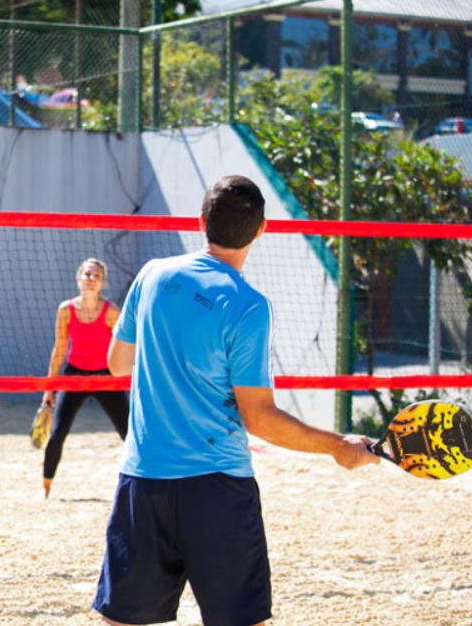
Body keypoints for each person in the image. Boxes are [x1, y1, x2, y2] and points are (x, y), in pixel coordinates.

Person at [93, 176, 378, 626]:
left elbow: (116, 363)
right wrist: (338, 446)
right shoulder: (248, 305)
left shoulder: (152, 275)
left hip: (144, 479)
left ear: (202, 221)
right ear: (262, 230)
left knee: (123, 620)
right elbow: (260, 418)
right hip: (217, 486)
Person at [40, 258, 129, 499]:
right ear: (78, 278)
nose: (91, 279)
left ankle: (144, 484)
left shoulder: (111, 311)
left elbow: (125, 348)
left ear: (102, 283)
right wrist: (49, 387)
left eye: (96, 275)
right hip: (75, 375)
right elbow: (59, 349)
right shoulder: (66, 310)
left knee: (129, 435)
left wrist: (128, 379)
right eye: (87, 274)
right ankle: (46, 488)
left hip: (106, 377)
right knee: (58, 432)